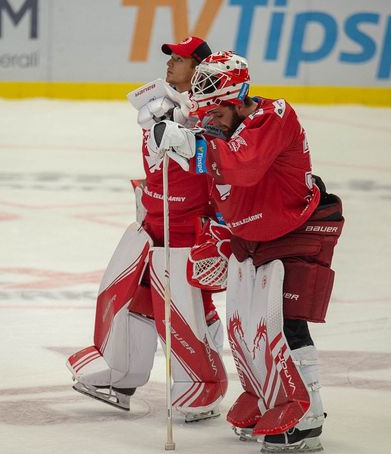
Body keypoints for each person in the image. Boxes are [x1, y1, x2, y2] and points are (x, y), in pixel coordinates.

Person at [147, 51, 344, 451]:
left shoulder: (275, 116)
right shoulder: (219, 123)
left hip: (297, 229)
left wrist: (190, 144)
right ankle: (266, 395)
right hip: (250, 237)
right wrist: (163, 137)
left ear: (238, 100)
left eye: (216, 113)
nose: (209, 121)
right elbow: (214, 179)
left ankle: (307, 414)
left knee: (284, 323)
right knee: (243, 324)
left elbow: (244, 167)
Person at [66, 37, 231, 423]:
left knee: (187, 307)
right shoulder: (159, 104)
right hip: (152, 221)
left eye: (180, 60)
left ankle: (201, 384)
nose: (171, 65)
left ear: (200, 69)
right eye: (170, 58)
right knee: (129, 298)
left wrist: (189, 131)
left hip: (187, 228)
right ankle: (121, 376)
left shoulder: (212, 112)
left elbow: (220, 163)